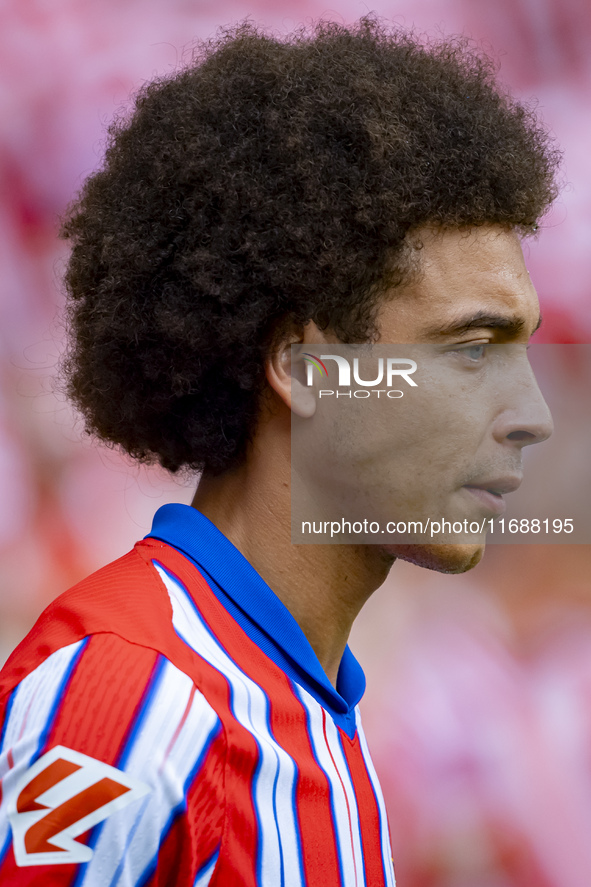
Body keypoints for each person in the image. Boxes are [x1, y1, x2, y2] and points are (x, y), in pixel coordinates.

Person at [0, 17, 558, 886]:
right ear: (303, 369)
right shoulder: (132, 701)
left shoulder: (311, 714)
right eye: (469, 351)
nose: (528, 413)